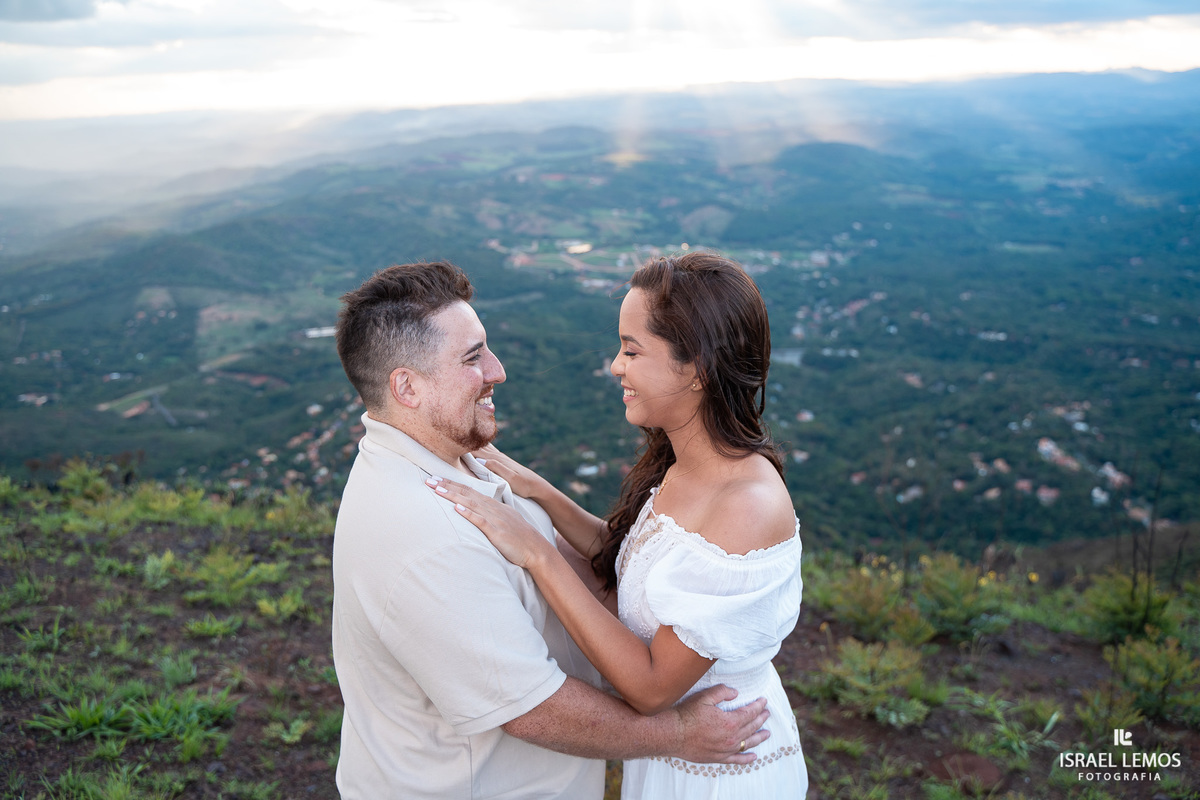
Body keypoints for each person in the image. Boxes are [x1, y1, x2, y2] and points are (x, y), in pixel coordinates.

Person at [330, 260, 773, 800]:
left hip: (731, 743)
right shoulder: (425, 532)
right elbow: (532, 707)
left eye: (632, 351)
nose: (498, 370)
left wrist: (538, 505)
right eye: (473, 357)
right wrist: (675, 734)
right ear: (408, 388)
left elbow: (610, 567)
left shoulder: (460, 461)